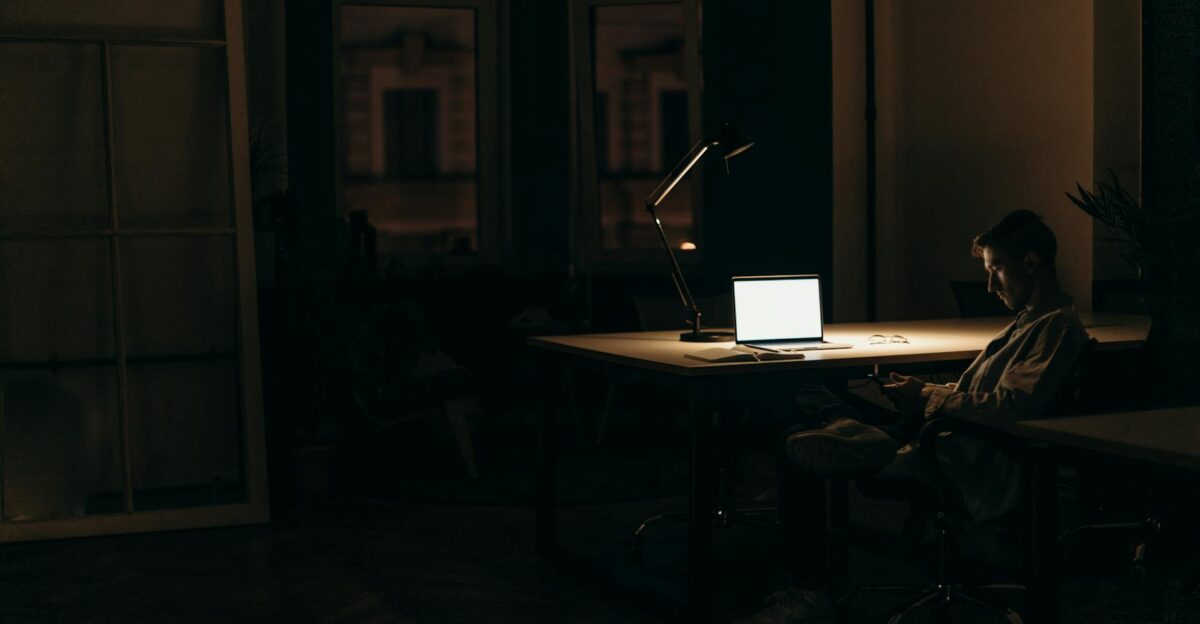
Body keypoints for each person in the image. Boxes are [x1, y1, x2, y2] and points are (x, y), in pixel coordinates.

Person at [738, 209, 1089, 624]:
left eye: (996, 270)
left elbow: (1011, 407)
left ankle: (809, 592)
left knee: (796, 444)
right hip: (943, 432)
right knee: (803, 384)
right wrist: (925, 394)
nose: (990, 286)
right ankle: (843, 424)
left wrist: (927, 396)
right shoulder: (1029, 324)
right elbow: (991, 396)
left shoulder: (1055, 329)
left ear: (1030, 264)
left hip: (956, 453)